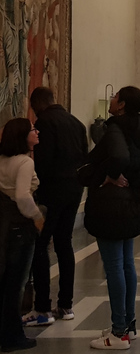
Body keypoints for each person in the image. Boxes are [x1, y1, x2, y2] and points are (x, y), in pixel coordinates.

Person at [83, 86, 140, 350]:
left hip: (112, 204)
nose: (111, 100)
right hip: (136, 201)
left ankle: (118, 333)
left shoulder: (116, 127)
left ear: (121, 104)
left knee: (114, 268)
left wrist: (109, 175)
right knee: (126, 264)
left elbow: (119, 156)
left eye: (114, 97)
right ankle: (129, 326)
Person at [22, 87, 87, 327]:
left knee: (40, 246)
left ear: (36, 103)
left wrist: (37, 192)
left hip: (51, 193)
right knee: (64, 243)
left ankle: (42, 308)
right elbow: (84, 158)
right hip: (74, 191)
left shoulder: (44, 123)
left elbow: (42, 163)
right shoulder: (76, 123)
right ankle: (66, 305)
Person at [0, 118, 44, 352]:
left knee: (4, 281)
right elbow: (23, 196)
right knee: (16, 284)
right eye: (32, 130)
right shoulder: (24, 162)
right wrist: (38, 218)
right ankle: (12, 336)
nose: (36, 132)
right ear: (21, 136)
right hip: (20, 227)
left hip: (4, 225)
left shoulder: (3, 160)